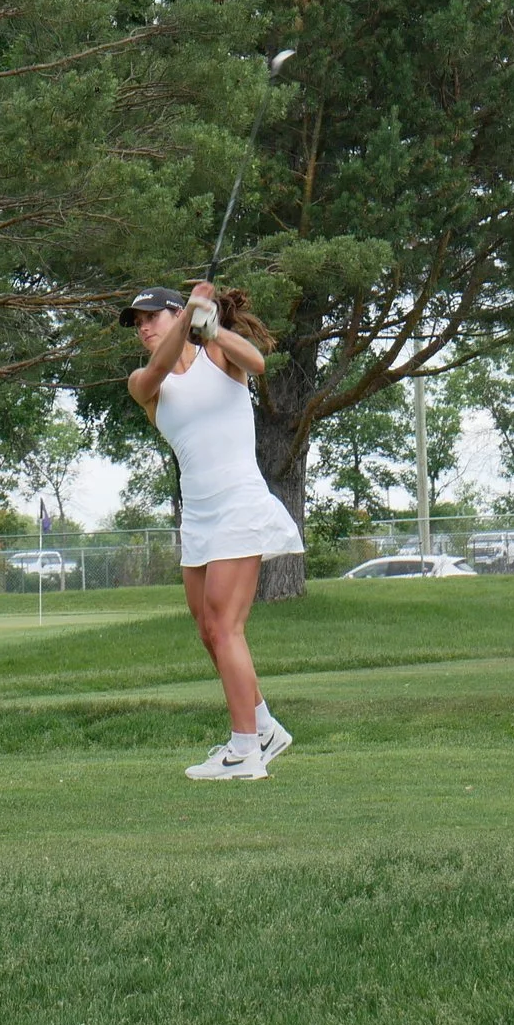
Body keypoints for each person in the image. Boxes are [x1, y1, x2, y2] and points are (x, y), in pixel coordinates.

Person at [124, 280, 306, 781]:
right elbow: (159, 366)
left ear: (173, 314)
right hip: (199, 518)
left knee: (226, 628)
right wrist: (188, 320)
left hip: (239, 506)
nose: (143, 328)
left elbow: (258, 362)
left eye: (151, 318)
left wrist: (213, 329)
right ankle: (265, 727)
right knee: (209, 632)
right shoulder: (145, 381)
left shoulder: (218, 357)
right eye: (138, 323)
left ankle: (245, 751)